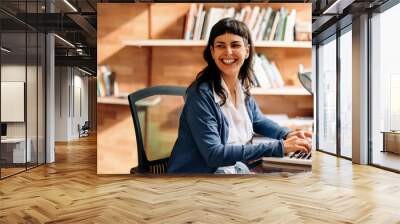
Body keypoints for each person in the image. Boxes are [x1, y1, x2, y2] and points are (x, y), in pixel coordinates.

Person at [167, 18, 312, 174]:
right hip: (196, 179)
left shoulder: (241, 86)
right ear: (212, 52)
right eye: (220, 46)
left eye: (235, 45)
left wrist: (287, 134)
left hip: (231, 171)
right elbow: (214, 155)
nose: (228, 52)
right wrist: (279, 147)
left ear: (247, 50)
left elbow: (258, 120)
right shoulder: (201, 95)